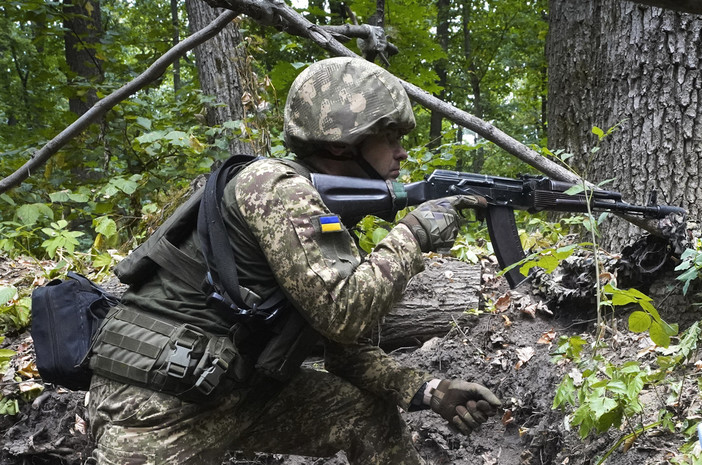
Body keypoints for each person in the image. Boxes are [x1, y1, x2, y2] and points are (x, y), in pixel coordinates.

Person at [86, 56, 501, 465]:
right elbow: (343, 314)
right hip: (151, 408)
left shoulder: (317, 206)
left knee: (364, 414)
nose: (402, 153)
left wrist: (427, 390)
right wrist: (412, 235)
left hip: (222, 388)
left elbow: (344, 350)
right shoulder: (277, 187)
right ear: (343, 141)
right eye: (389, 137)